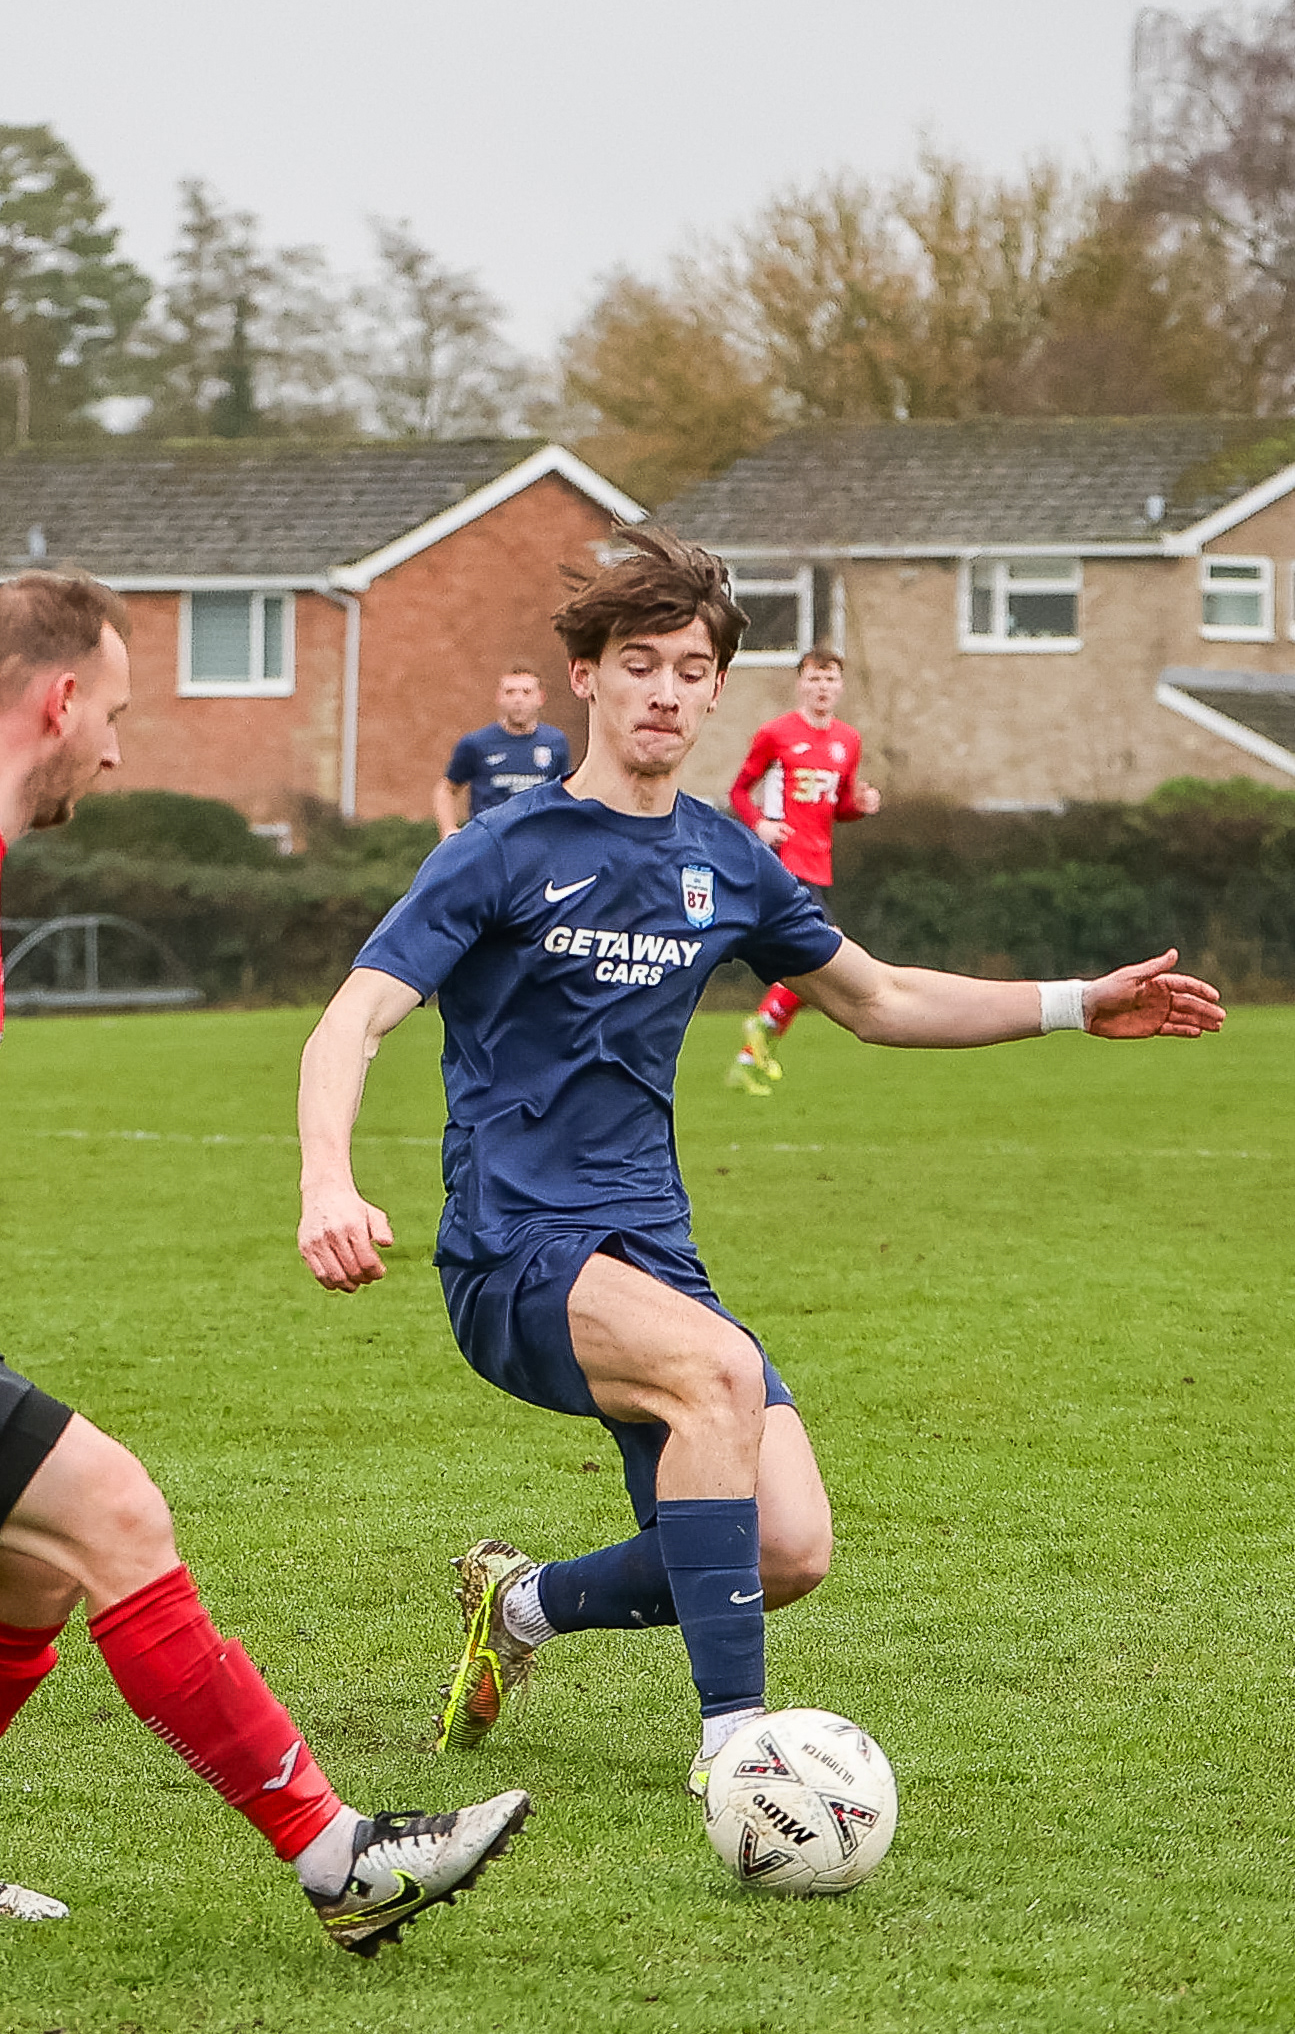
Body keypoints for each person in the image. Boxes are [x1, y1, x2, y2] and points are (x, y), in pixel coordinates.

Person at [294, 526, 1221, 1810]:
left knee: (785, 1549)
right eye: (639, 664)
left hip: (650, 1248)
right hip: (514, 1248)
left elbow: (880, 997)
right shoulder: (501, 850)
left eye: (691, 670)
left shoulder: (724, 859)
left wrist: (1074, 1001)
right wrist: (327, 1182)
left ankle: (522, 1604)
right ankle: (739, 1748)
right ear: (587, 676)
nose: (664, 692)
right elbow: (351, 1019)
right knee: (720, 1374)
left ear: (718, 690)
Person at [0, 570, 529, 1951]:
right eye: (117, 715)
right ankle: (341, 1861)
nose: (119, 751)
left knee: (29, 1571)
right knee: (117, 1512)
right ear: (60, 699)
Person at [725, 648, 880, 1096]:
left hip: (818, 862)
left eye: (830, 679)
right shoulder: (776, 734)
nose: (822, 687)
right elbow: (739, 791)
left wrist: (861, 806)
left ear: (841, 687)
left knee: (810, 961)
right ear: (800, 684)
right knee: (826, 949)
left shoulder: (848, 740)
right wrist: (760, 825)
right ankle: (762, 1023)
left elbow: (840, 806)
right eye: (814, 679)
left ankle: (748, 1060)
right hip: (784, 860)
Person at [435, 667, 573, 839]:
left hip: (537, 841)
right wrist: (448, 830)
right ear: (499, 697)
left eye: (526, 692)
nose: (518, 699)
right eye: (510, 692)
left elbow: (563, 794)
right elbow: (446, 789)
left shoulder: (556, 741)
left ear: (541, 698)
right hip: (489, 842)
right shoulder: (476, 743)